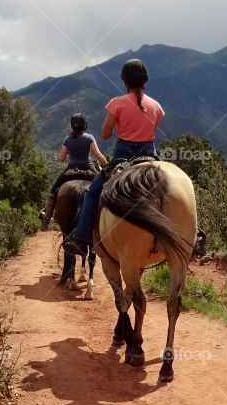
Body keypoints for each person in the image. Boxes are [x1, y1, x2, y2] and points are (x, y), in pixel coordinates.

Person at [63, 58, 165, 257]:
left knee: (92, 193)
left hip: (123, 157)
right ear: (145, 80)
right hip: (149, 156)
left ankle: (81, 238)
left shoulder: (116, 104)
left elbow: (106, 133)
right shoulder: (156, 106)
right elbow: (151, 131)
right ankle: (192, 233)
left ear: (124, 81)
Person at [39, 113, 107, 227]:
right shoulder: (89, 137)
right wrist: (107, 164)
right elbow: (98, 155)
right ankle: (106, 212)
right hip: (88, 167)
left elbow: (62, 158)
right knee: (105, 186)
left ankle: (48, 214)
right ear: (85, 125)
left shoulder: (68, 139)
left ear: (72, 125)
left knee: (54, 189)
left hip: (70, 169)